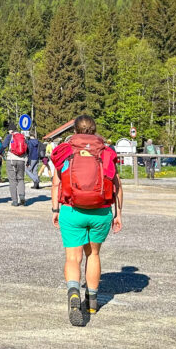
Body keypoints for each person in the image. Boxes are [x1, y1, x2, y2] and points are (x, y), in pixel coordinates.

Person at [51, 114, 123, 326]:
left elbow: (56, 184)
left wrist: (55, 209)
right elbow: (117, 185)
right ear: (94, 130)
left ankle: (74, 293)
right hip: (100, 211)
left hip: (72, 210)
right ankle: (91, 302)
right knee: (94, 254)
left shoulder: (65, 151)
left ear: (74, 131)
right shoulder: (106, 152)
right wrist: (119, 213)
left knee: (73, 258)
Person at [2, 129, 28, 206]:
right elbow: (27, 148)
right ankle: (22, 195)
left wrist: (0, 153)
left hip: (11, 160)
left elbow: (3, 146)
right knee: (20, 179)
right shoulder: (23, 137)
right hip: (22, 160)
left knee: (12, 180)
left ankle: (15, 201)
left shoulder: (10, 136)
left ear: (11, 131)